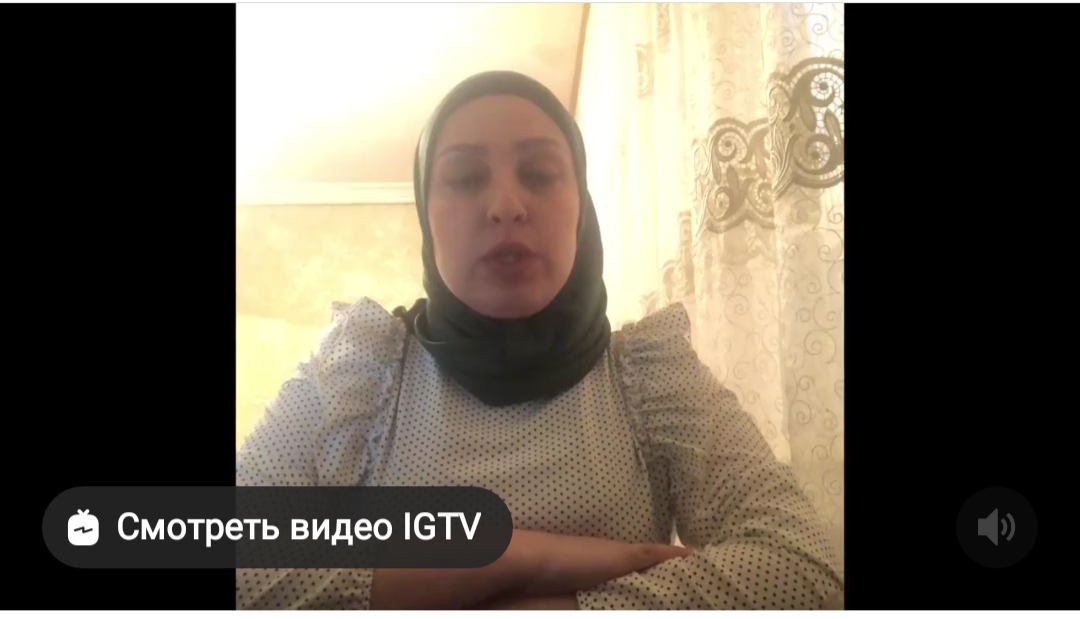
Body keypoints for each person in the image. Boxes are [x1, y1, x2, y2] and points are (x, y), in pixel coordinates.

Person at [235, 71, 844, 610]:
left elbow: (807, 570)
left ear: (581, 207)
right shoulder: (356, 370)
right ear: (426, 216)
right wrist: (525, 558)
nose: (505, 206)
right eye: (465, 177)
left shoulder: (651, 377)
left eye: (541, 173)